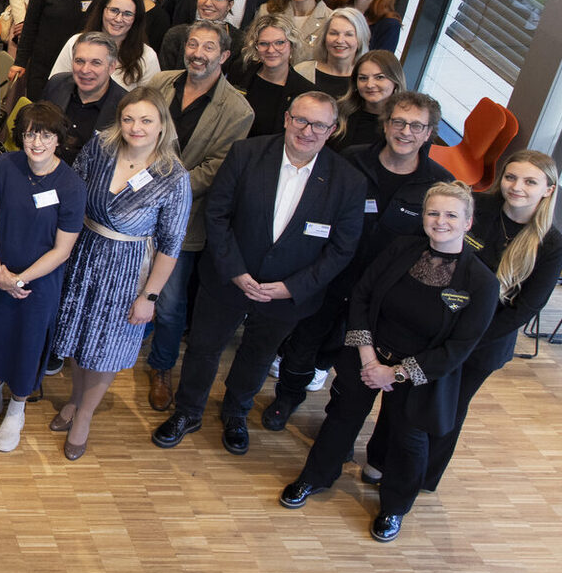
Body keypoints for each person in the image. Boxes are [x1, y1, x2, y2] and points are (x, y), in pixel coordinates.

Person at [152, 91, 368, 457]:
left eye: (319, 125)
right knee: (203, 348)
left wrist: (291, 288)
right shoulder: (246, 154)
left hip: (286, 295)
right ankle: (187, 411)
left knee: (258, 355)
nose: (307, 131)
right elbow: (216, 214)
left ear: (333, 130)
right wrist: (235, 270)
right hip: (228, 279)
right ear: (286, 119)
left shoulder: (348, 181)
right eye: (301, 120)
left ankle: (236, 412)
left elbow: (342, 249)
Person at [278, 183, 497, 542]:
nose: (440, 221)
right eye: (433, 213)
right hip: (369, 354)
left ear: (468, 222)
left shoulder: (482, 283)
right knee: (342, 417)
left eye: (451, 215)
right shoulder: (401, 249)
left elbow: (459, 347)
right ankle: (314, 477)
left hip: (421, 373)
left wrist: (395, 373)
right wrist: (369, 358)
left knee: (409, 439)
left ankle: (394, 507)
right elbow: (362, 295)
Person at [376, 151, 562, 494]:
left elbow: (524, 310)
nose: (517, 187)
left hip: (482, 344)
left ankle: (420, 479)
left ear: (548, 190)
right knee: (402, 395)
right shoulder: (476, 206)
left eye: (530, 182)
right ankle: (379, 459)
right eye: (511, 177)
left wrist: (464, 340)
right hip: (432, 326)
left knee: (445, 409)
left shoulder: (552, 244)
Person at [264, 90, 451, 430]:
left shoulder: (438, 184)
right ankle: (287, 397)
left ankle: (338, 422)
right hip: (330, 273)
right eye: (398, 122)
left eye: (416, 126)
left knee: (351, 357)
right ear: (385, 124)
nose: (405, 132)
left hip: (383, 293)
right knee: (304, 339)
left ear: (428, 133)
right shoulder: (352, 159)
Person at [47, 85, 193, 458]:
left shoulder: (173, 176)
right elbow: (73, 190)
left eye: (146, 120)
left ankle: (85, 416)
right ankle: (75, 399)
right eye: (128, 119)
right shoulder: (101, 147)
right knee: (80, 339)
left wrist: (149, 296)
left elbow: (171, 245)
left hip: (128, 270)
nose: (135, 127)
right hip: (84, 254)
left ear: (162, 125)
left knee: (107, 349)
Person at [134, 23, 254, 411]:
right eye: (193, 44)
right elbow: (135, 131)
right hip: (135, 208)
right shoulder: (160, 83)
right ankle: (121, 345)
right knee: (128, 283)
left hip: (184, 218)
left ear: (225, 56)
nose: (197, 53)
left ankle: (161, 367)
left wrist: (162, 189)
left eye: (208, 47)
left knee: (169, 302)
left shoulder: (238, 110)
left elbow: (216, 167)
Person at [0, 102, 86, 451]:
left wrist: (19, 280)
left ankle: (17, 408)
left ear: (58, 139)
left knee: (27, 343)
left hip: (39, 283)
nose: (37, 143)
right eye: (31, 134)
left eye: (45, 135)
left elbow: (62, 250)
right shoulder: (5, 165)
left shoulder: (72, 185)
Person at [46, 0, 159, 89]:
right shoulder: (76, 42)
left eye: (127, 14)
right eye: (114, 10)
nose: (118, 19)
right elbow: (56, 86)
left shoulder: (147, 56)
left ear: (136, 19)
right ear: (102, 11)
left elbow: (150, 100)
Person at [40, 33, 127, 163]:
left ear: (111, 67)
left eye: (96, 63)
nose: (85, 70)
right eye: (79, 61)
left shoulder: (124, 106)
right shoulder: (56, 84)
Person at [234, 13, 315, 137]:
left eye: (279, 43)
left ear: (292, 46)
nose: (271, 50)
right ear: (255, 47)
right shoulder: (239, 73)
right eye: (263, 43)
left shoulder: (305, 92)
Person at [157, 0, 235, 71]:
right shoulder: (176, 35)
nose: (208, 3)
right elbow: (165, 76)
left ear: (230, 5)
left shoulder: (238, 42)